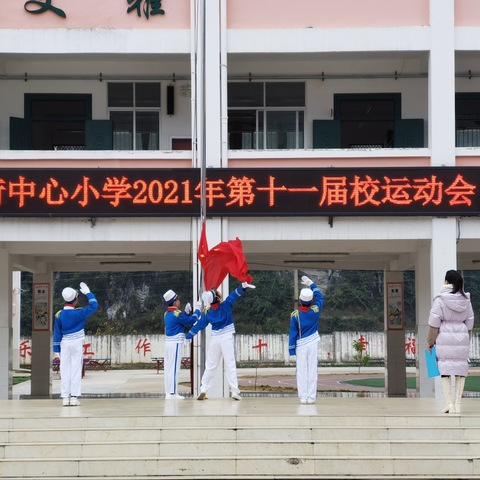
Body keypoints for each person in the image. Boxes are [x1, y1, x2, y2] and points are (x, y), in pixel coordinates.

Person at [185, 281, 255, 401]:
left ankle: (204, 389)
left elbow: (199, 325)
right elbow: (234, 294)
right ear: (217, 298)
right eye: (217, 293)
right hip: (227, 337)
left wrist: (188, 336)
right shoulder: (225, 305)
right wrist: (242, 286)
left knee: (211, 365)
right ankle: (234, 390)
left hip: (215, 339)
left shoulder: (208, 312)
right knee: (230, 364)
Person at [428, 269, 474, 414]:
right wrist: (467, 339)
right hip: (462, 336)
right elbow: (470, 322)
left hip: (444, 337)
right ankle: (458, 404)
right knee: (461, 371)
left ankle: (449, 404)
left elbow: (434, 323)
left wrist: (430, 341)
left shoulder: (440, 300)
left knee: (445, 371)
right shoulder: (466, 300)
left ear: (446, 281)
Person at [53, 282, 98, 406]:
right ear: (75, 301)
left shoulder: (59, 314)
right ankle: (74, 397)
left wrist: (56, 349)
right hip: (77, 343)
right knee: (76, 370)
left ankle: (65, 398)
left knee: (64, 370)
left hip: (64, 344)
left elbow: (57, 333)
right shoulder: (79, 313)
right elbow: (94, 305)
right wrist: (88, 293)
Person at [288, 275, 325, 404]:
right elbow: (320, 297)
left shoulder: (295, 315)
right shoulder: (315, 310)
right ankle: (311, 397)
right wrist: (311, 284)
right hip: (313, 342)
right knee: (312, 370)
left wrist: (291, 350)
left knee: (301, 371)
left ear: (299, 300)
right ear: (311, 301)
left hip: (301, 345)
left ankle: (303, 397)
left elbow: (293, 334)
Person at [163, 289, 202, 400]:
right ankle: (173, 393)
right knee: (175, 369)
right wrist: (198, 310)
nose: (179, 301)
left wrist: (185, 312)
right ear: (174, 302)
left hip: (168, 343)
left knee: (169, 368)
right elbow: (190, 321)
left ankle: (168, 392)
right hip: (175, 343)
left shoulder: (167, 313)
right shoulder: (177, 313)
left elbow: (181, 321)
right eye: (178, 300)